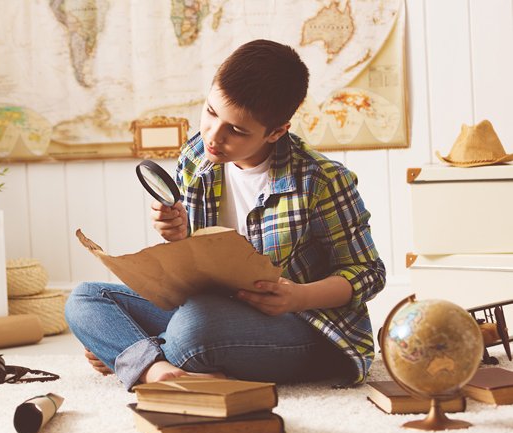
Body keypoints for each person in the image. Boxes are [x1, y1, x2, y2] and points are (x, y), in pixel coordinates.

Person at [65, 39, 386, 391]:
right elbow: (200, 264)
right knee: (85, 299)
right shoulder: (196, 157)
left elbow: (368, 273)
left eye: (237, 130)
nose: (214, 136)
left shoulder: (322, 180)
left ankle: (136, 355)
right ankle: (156, 370)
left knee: (192, 328)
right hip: (212, 309)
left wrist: (300, 296)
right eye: (211, 112)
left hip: (303, 325)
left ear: (277, 131)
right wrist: (178, 236)